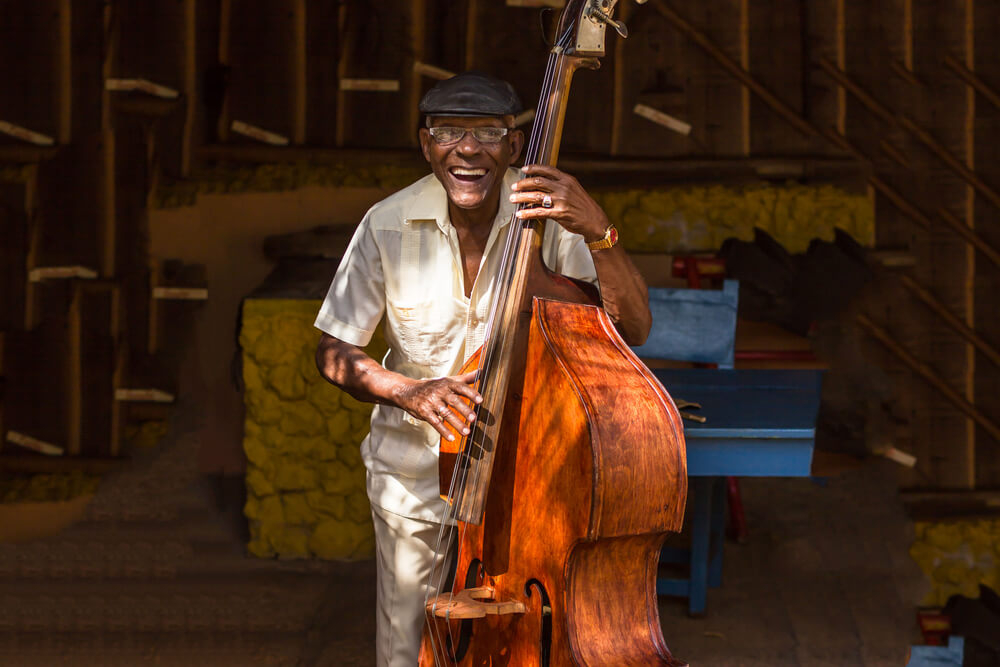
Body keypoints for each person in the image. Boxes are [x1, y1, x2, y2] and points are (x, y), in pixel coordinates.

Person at [314, 71, 652, 666]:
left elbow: (631, 331)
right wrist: (409, 390)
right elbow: (335, 352)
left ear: (514, 146)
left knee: (521, 643)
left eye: (488, 133)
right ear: (426, 145)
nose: (467, 149)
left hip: (530, 483)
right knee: (406, 649)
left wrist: (599, 229)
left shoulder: (549, 217)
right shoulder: (386, 224)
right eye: (449, 132)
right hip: (413, 481)